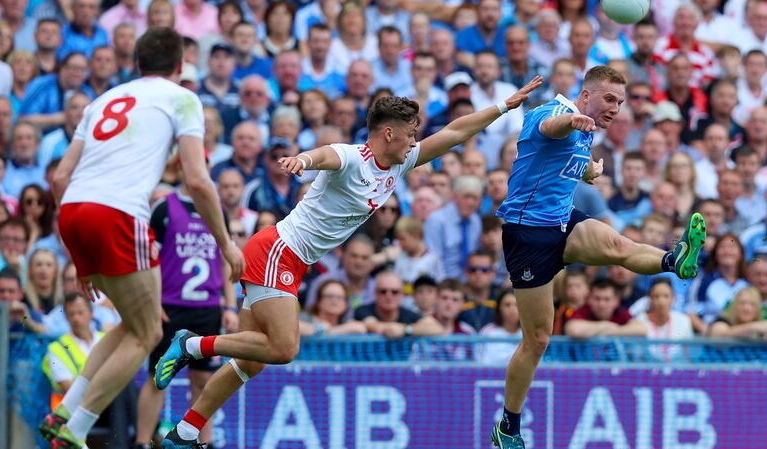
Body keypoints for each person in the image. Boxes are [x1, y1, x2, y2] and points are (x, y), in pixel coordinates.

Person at [151, 75, 544, 447]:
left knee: (250, 363)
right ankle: (193, 345)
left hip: (289, 258)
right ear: (388, 133)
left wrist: (502, 106)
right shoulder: (353, 156)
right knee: (284, 349)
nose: (414, 142)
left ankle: (184, 433)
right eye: (410, 134)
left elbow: (455, 132)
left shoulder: (400, 162)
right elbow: (323, 156)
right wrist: (302, 161)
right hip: (278, 251)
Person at [39, 28, 243, 449]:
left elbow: (60, 178)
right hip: (117, 213)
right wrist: (226, 242)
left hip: (74, 211)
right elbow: (198, 181)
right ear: (180, 66)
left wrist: (79, 257)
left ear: (136, 64)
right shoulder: (182, 98)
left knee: (133, 324)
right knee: (148, 334)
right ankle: (75, 429)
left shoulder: (102, 101)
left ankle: (63, 409)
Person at [490, 66, 706, 449]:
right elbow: (549, 130)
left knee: (617, 247)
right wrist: (571, 120)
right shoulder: (550, 114)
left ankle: (676, 260)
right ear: (585, 95)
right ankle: (507, 425)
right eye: (609, 99)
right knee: (538, 339)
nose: (616, 108)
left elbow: (570, 158)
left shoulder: (586, 133)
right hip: (528, 235)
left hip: (562, 222)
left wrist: (590, 171)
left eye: (620, 103)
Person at [135, 153, 239, 449]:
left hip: (206, 308)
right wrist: (152, 303)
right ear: (181, 167)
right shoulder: (164, 208)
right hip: (170, 307)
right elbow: (148, 260)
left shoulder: (216, 209)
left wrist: (228, 305)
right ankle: (142, 441)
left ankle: (202, 442)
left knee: (203, 380)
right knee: (158, 376)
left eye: (204, 164)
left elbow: (223, 260)